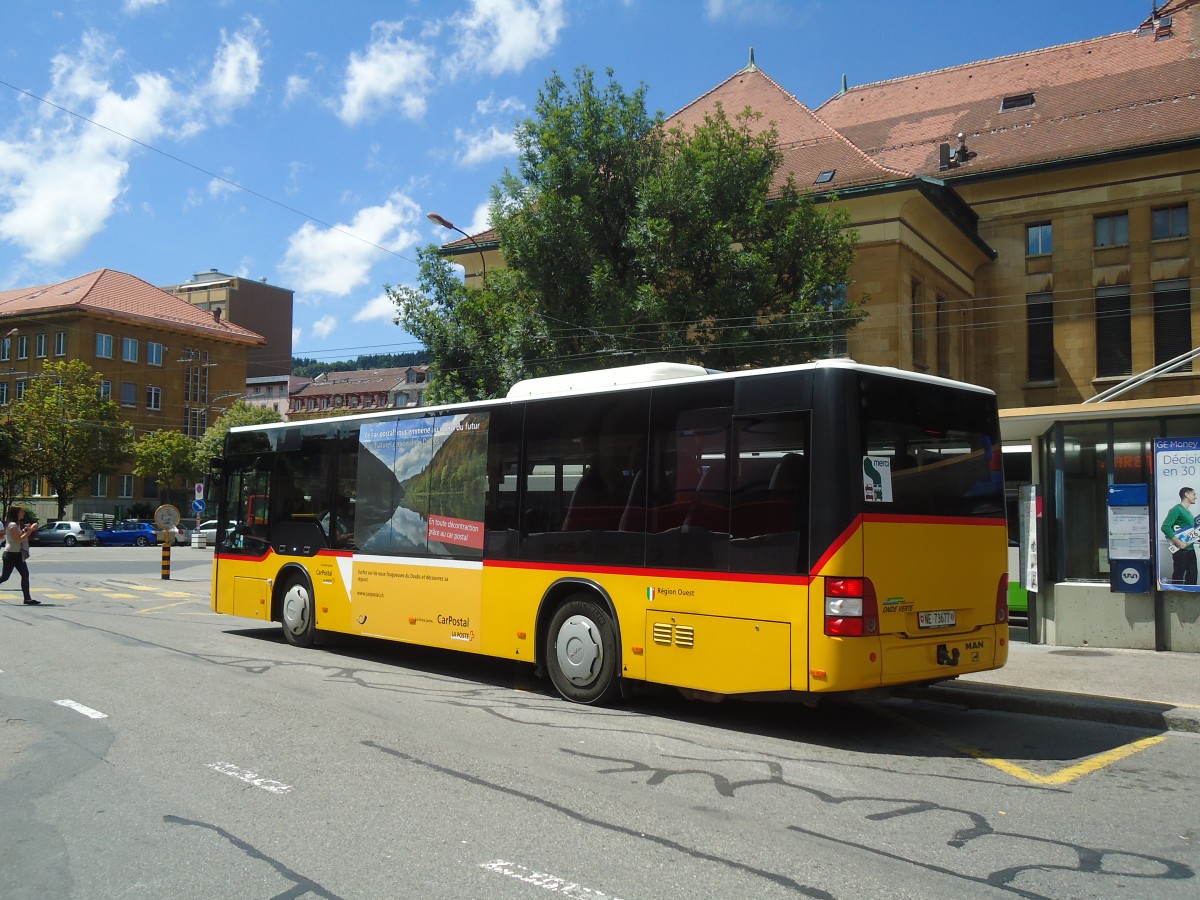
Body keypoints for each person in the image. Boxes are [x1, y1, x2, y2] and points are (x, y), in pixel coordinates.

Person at [0, 504, 40, 605]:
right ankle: (27, 598)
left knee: (25, 574)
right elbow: (19, 539)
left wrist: (25, 530)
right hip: (10, 554)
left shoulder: (16, 524)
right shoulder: (12, 525)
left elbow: (19, 535)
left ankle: (27, 598)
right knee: (5, 577)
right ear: (16, 513)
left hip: (17, 554)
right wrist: (31, 530)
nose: (23, 513)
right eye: (21, 511)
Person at [1161, 486, 1199, 586]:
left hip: (1190, 549)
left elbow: (1190, 532)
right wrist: (1179, 542)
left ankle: (1188, 599)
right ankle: (1176, 598)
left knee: (1193, 577)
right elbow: (1165, 527)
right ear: (1186, 495)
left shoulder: (1189, 514)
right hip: (1181, 551)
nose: (1196, 497)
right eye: (1194, 494)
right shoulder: (1176, 510)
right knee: (1178, 577)